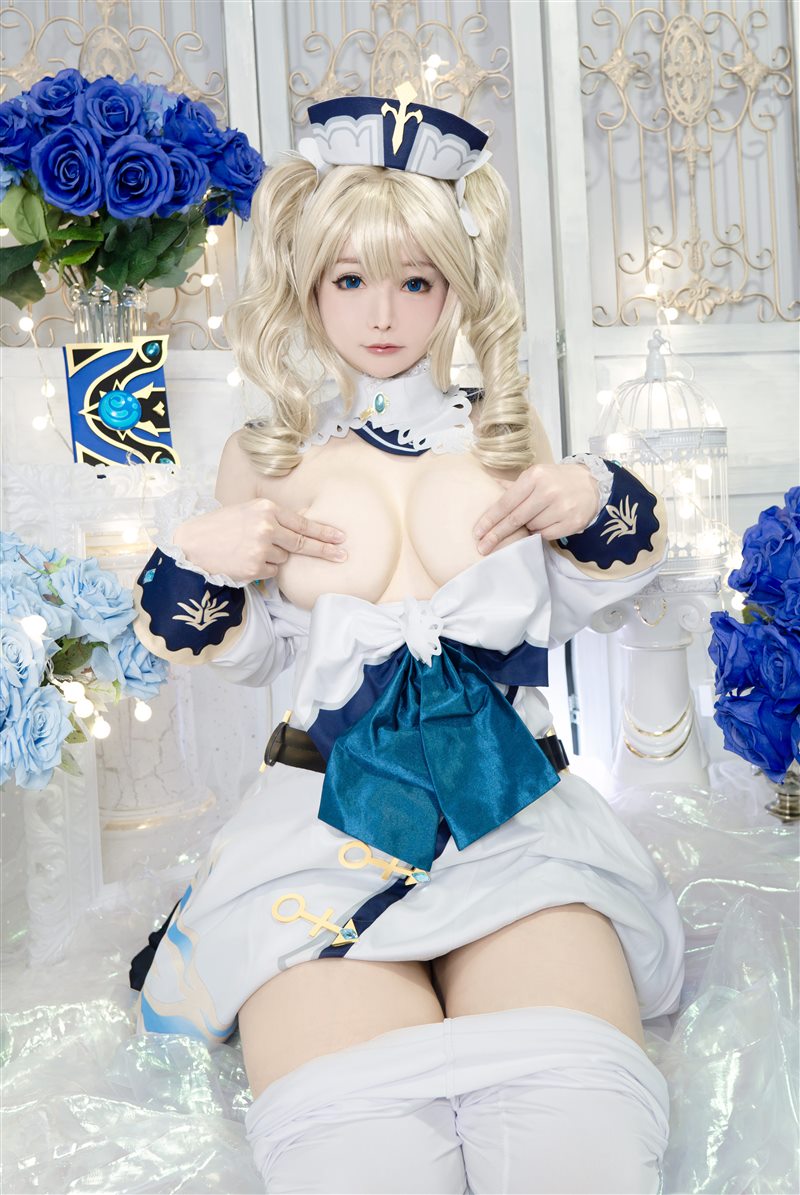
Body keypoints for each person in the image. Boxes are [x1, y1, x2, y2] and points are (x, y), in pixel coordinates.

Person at [130, 89, 685, 1194]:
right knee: (359, 1153)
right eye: (349, 280)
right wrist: (199, 554)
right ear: (307, 285)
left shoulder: (507, 437)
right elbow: (247, 656)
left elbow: (597, 596)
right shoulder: (265, 455)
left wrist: (592, 495)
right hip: (319, 821)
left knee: (577, 1136)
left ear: (456, 286)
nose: (380, 313)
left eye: (415, 280)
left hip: (512, 818)